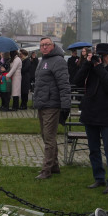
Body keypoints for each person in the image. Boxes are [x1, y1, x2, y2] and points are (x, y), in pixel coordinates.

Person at [75, 43, 108, 194]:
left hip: (106, 113)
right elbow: (76, 80)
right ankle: (99, 177)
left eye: (103, 55)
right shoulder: (92, 66)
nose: (100, 58)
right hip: (90, 111)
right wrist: (87, 64)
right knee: (93, 148)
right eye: (98, 55)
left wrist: (99, 67)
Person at [33, 37, 71, 180]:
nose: (44, 47)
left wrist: (66, 105)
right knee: (46, 135)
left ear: (53, 45)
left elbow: (64, 84)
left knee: (49, 137)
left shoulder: (58, 61)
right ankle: (54, 166)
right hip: (42, 103)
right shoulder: (42, 60)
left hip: (52, 104)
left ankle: (46, 170)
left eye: (47, 44)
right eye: (42, 45)